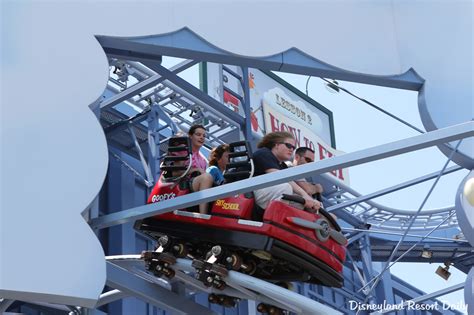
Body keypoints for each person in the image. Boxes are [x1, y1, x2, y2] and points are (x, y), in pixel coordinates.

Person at [253, 131, 321, 212]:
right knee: (285, 187)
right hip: (247, 192)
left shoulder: (282, 165)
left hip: (263, 194)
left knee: (304, 204)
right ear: (277, 145)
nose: (291, 149)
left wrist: (310, 201)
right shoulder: (264, 153)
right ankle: (274, 218)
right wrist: (305, 195)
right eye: (288, 146)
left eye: (293, 147)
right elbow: (279, 177)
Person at [186, 124, 214, 214]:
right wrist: (195, 170)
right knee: (207, 177)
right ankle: (203, 215)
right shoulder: (183, 151)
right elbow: (175, 173)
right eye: (198, 135)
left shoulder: (202, 159)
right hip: (183, 185)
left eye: (204, 136)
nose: (202, 138)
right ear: (190, 136)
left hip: (195, 187)